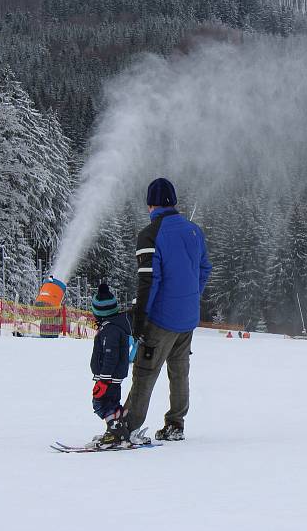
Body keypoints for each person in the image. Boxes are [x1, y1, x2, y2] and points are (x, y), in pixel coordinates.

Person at [125, 178, 212, 442]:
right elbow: (204, 268)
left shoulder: (150, 234)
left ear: (151, 205)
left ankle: (127, 427)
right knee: (179, 371)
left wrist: (139, 317)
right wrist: (191, 295)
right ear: (173, 202)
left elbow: (150, 280)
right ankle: (176, 423)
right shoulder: (194, 231)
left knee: (144, 371)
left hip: (162, 318)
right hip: (188, 317)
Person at [89, 284, 132, 447]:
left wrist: (104, 380)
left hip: (109, 377)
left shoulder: (111, 331)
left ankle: (115, 431)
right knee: (110, 403)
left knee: (100, 403)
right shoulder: (111, 327)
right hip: (111, 376)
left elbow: (110, 355)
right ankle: (119, 427)